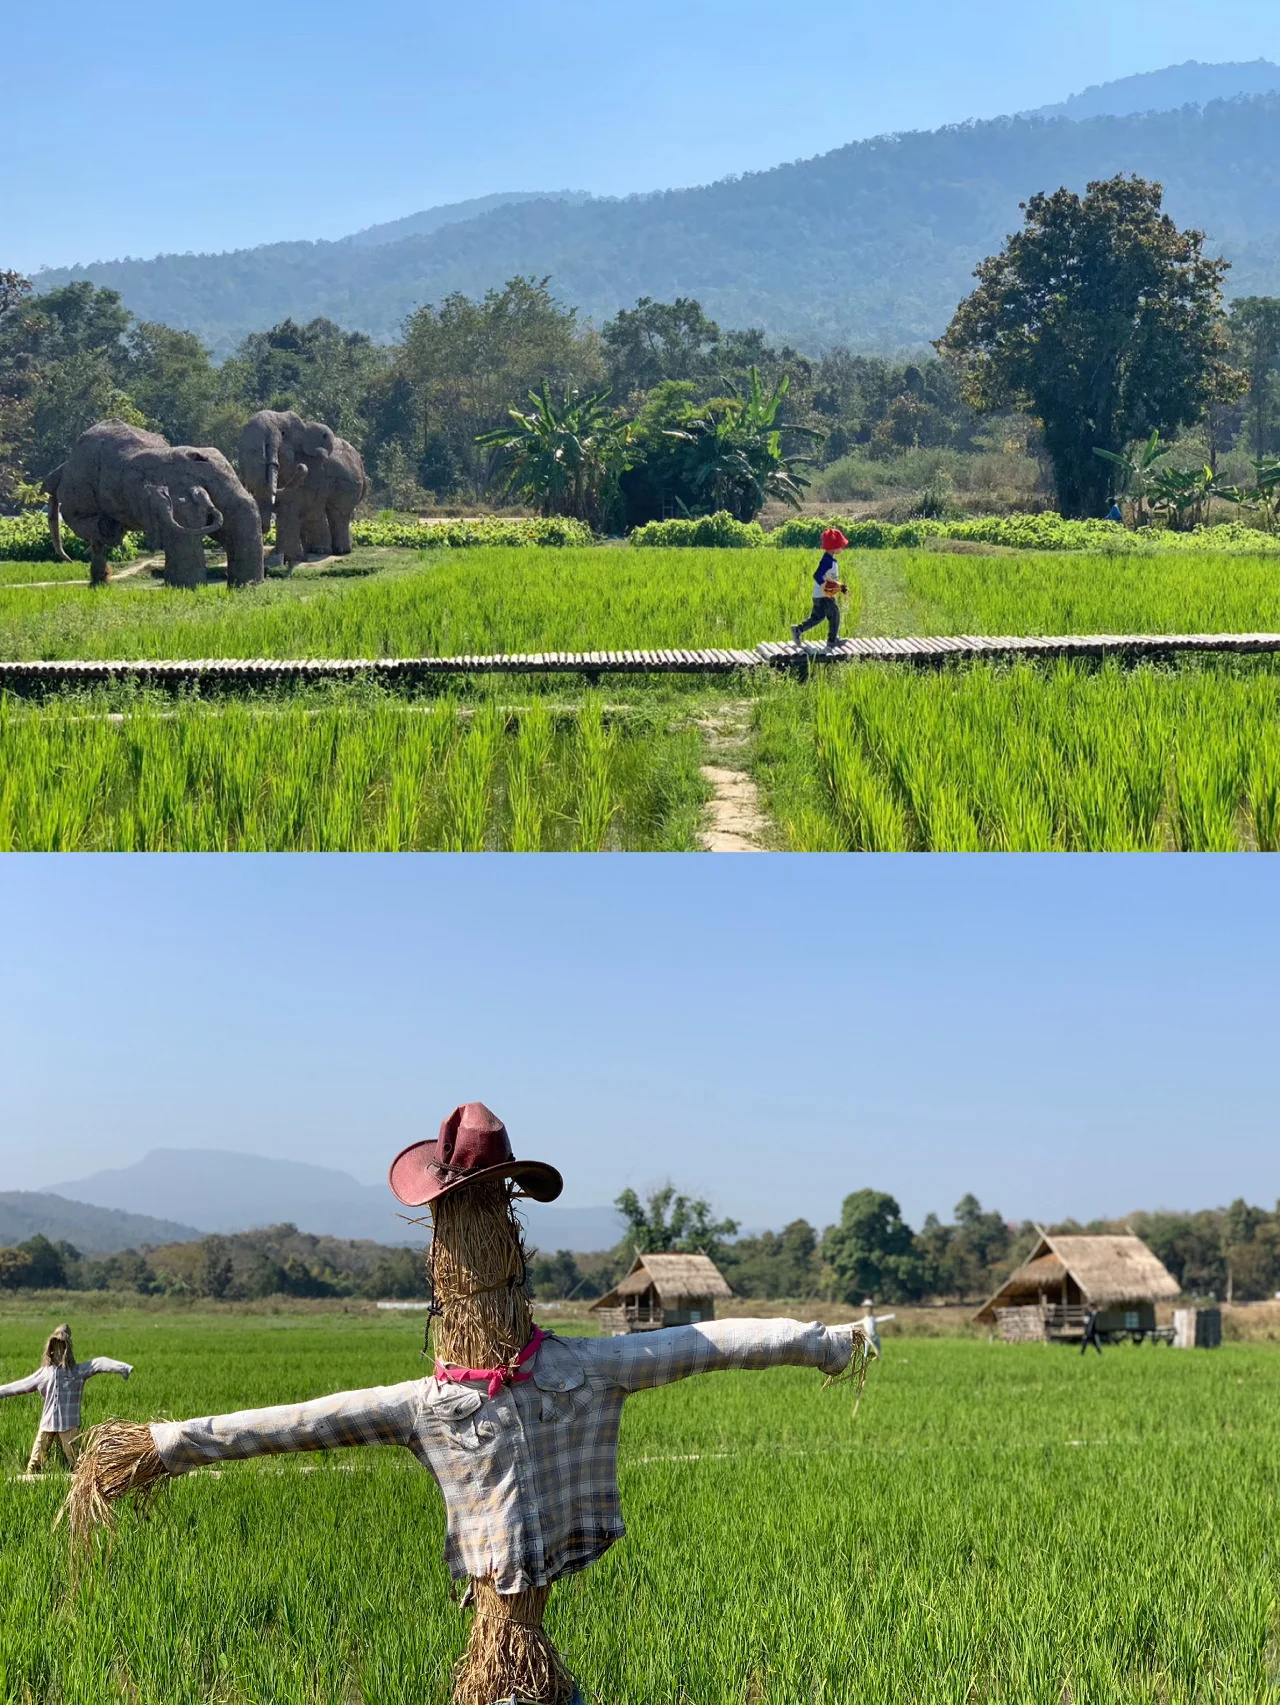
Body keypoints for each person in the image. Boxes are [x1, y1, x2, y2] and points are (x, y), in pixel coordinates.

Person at [0, 1324, 133, 1472]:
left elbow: (99, 1363)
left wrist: (123, 1368)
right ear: (50, 1349)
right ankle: (30, 1480)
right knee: (35, 1460)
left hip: (68, 1424)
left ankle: (82, 1482)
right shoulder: (45, 1373)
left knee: (76, 1460)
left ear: (67, 1349)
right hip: (47, 1423)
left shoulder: (76, 1372)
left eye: (62, 1346)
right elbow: (21, 1385)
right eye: (55, 1346)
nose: (58, 1351)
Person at [791, 527, 849, 648]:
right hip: (824, 596)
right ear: (834, 547)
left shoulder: (830, 560)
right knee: (835, 613)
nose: (842, 548)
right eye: (840, 545)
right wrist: (825, 587)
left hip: (818, 595)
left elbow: (832, 581)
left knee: (817, 617)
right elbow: (817, 575)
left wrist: (842, 588)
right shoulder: (827, 561)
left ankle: (798, 629)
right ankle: (833, 640)